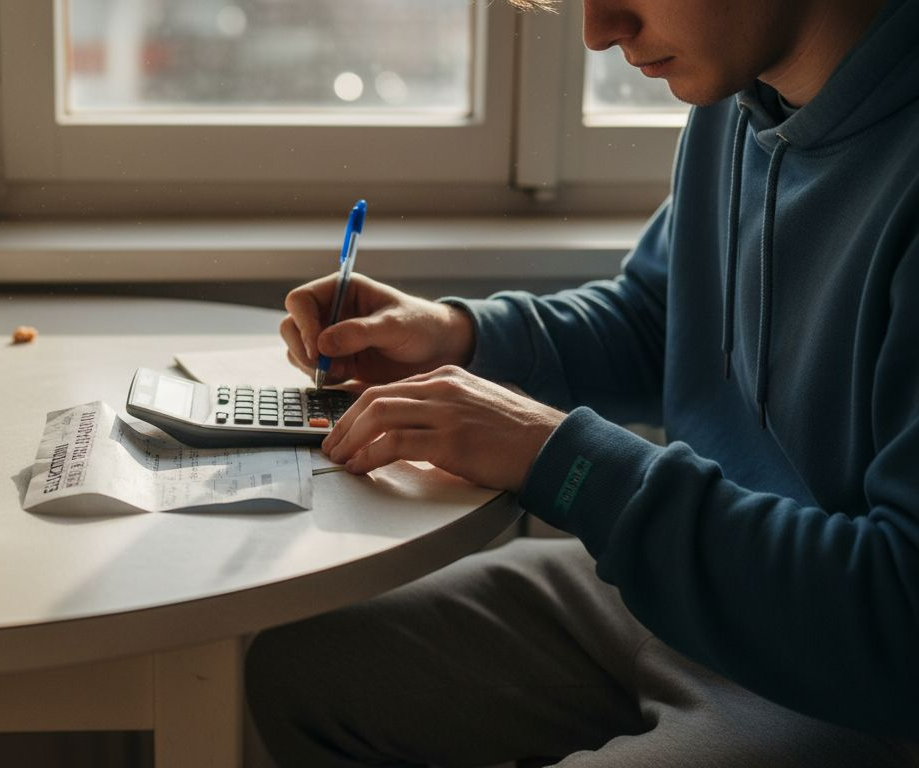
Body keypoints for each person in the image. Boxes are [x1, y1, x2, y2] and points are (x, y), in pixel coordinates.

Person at [246, 0, 919, 765]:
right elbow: (662, 319)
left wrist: (559, 459)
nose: (598, 31)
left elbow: (897, 617)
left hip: (847, 676)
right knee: (302, 673)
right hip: (683, 591)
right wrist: (457, 340)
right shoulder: (739, 99)